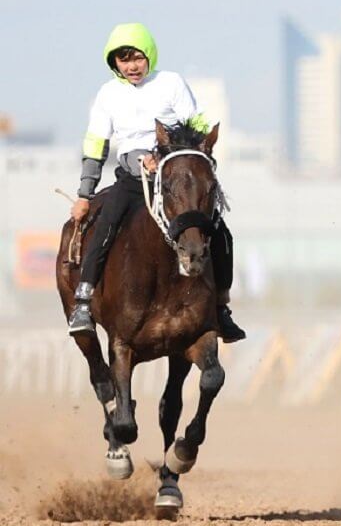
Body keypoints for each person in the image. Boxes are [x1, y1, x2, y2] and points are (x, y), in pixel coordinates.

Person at [67, 23, 246, 343]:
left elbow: (196, 124)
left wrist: (174, 153)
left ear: (149, 55)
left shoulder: (171, 83)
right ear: (114, 63)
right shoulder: (108, 94)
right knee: (105, 224)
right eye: (123, 60)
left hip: (173, 178)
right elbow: (96, 144)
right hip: (133, 178)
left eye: (137, 57)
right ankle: (83, 301)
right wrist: (84, 193)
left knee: (220, 231)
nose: (132, 66)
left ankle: (221, 308)